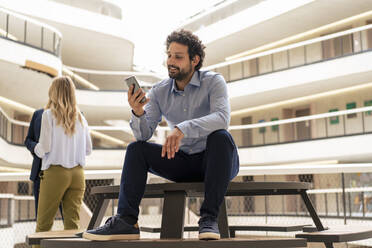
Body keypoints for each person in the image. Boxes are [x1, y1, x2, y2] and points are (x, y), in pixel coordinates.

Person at [83, 29, 239, 241]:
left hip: (217, 162)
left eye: (178, 56)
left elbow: (222, 118)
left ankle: (208, 218)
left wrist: (182, 128)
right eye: (169, 55)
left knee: (220, 137)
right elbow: (143, 135)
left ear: (195, 60)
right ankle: (126, 222)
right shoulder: (159, 91)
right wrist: (138, 112)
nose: (171, 61)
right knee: (136, 149)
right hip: (184, 162)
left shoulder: (213, 82)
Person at [34, 76, 92, 237]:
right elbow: (88, 150)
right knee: (72, 225)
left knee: (43, 225)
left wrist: (35, 149)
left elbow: (45, 147)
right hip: (78, 175)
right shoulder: (81, 118)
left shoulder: (48, 115)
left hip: (55, 173)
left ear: (54, 93)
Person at [25, 108, 63, 219]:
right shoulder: (38, 114)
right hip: (40, 174)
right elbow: (28, 140)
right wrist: (35, 147)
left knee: (68, 218)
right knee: (41, 219)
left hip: (63, 172)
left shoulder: (73, 114)